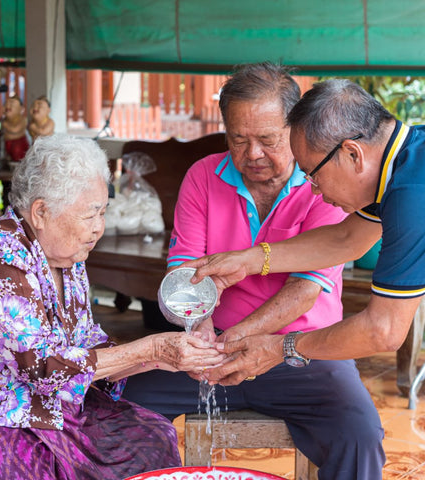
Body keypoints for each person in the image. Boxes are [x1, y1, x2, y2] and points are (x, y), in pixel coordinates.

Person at [123, 64, 385, 480]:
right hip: (211, 352)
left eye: (267, 139)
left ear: (296, 129)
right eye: (238, 140)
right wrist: (202, 329)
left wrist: (239, 340)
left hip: (303, 353)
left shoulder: (324, 180)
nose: (253, 155)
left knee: (359, 436)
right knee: (121, 406)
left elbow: (305, 290)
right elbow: (186, 274)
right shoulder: (203, 177)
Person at [0, 134, 225, 480]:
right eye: (89, 215)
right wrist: (154, 347)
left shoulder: (68, 256)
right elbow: (43, 367)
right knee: (31, 469)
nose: (98, 229)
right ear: (41, 212)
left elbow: (89, 350)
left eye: (103, 213)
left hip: (50, 409)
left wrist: (164, 358)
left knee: (153, 437)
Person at [1, 95, 29, 162]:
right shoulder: (4, 120)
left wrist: (5, 125)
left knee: (18, 157)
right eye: (6, 104)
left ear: (21, 109)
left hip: (18, 143)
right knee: (8, 158)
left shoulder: (23, 120)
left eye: (12, 104)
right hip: (7, 143)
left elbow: (15, 129)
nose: (8, 106)